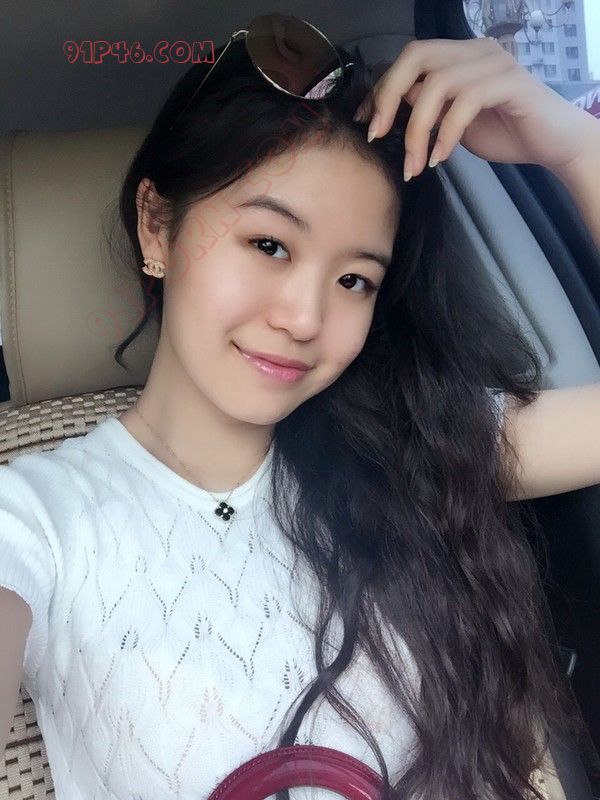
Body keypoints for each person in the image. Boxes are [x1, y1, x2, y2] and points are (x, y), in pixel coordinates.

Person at [0, 14, 599, 800]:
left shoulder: (418, 447)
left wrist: (574, 148)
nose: (306, 317)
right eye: (269, 245)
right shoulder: (33, 522)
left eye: (355, 280)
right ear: (157, 226)